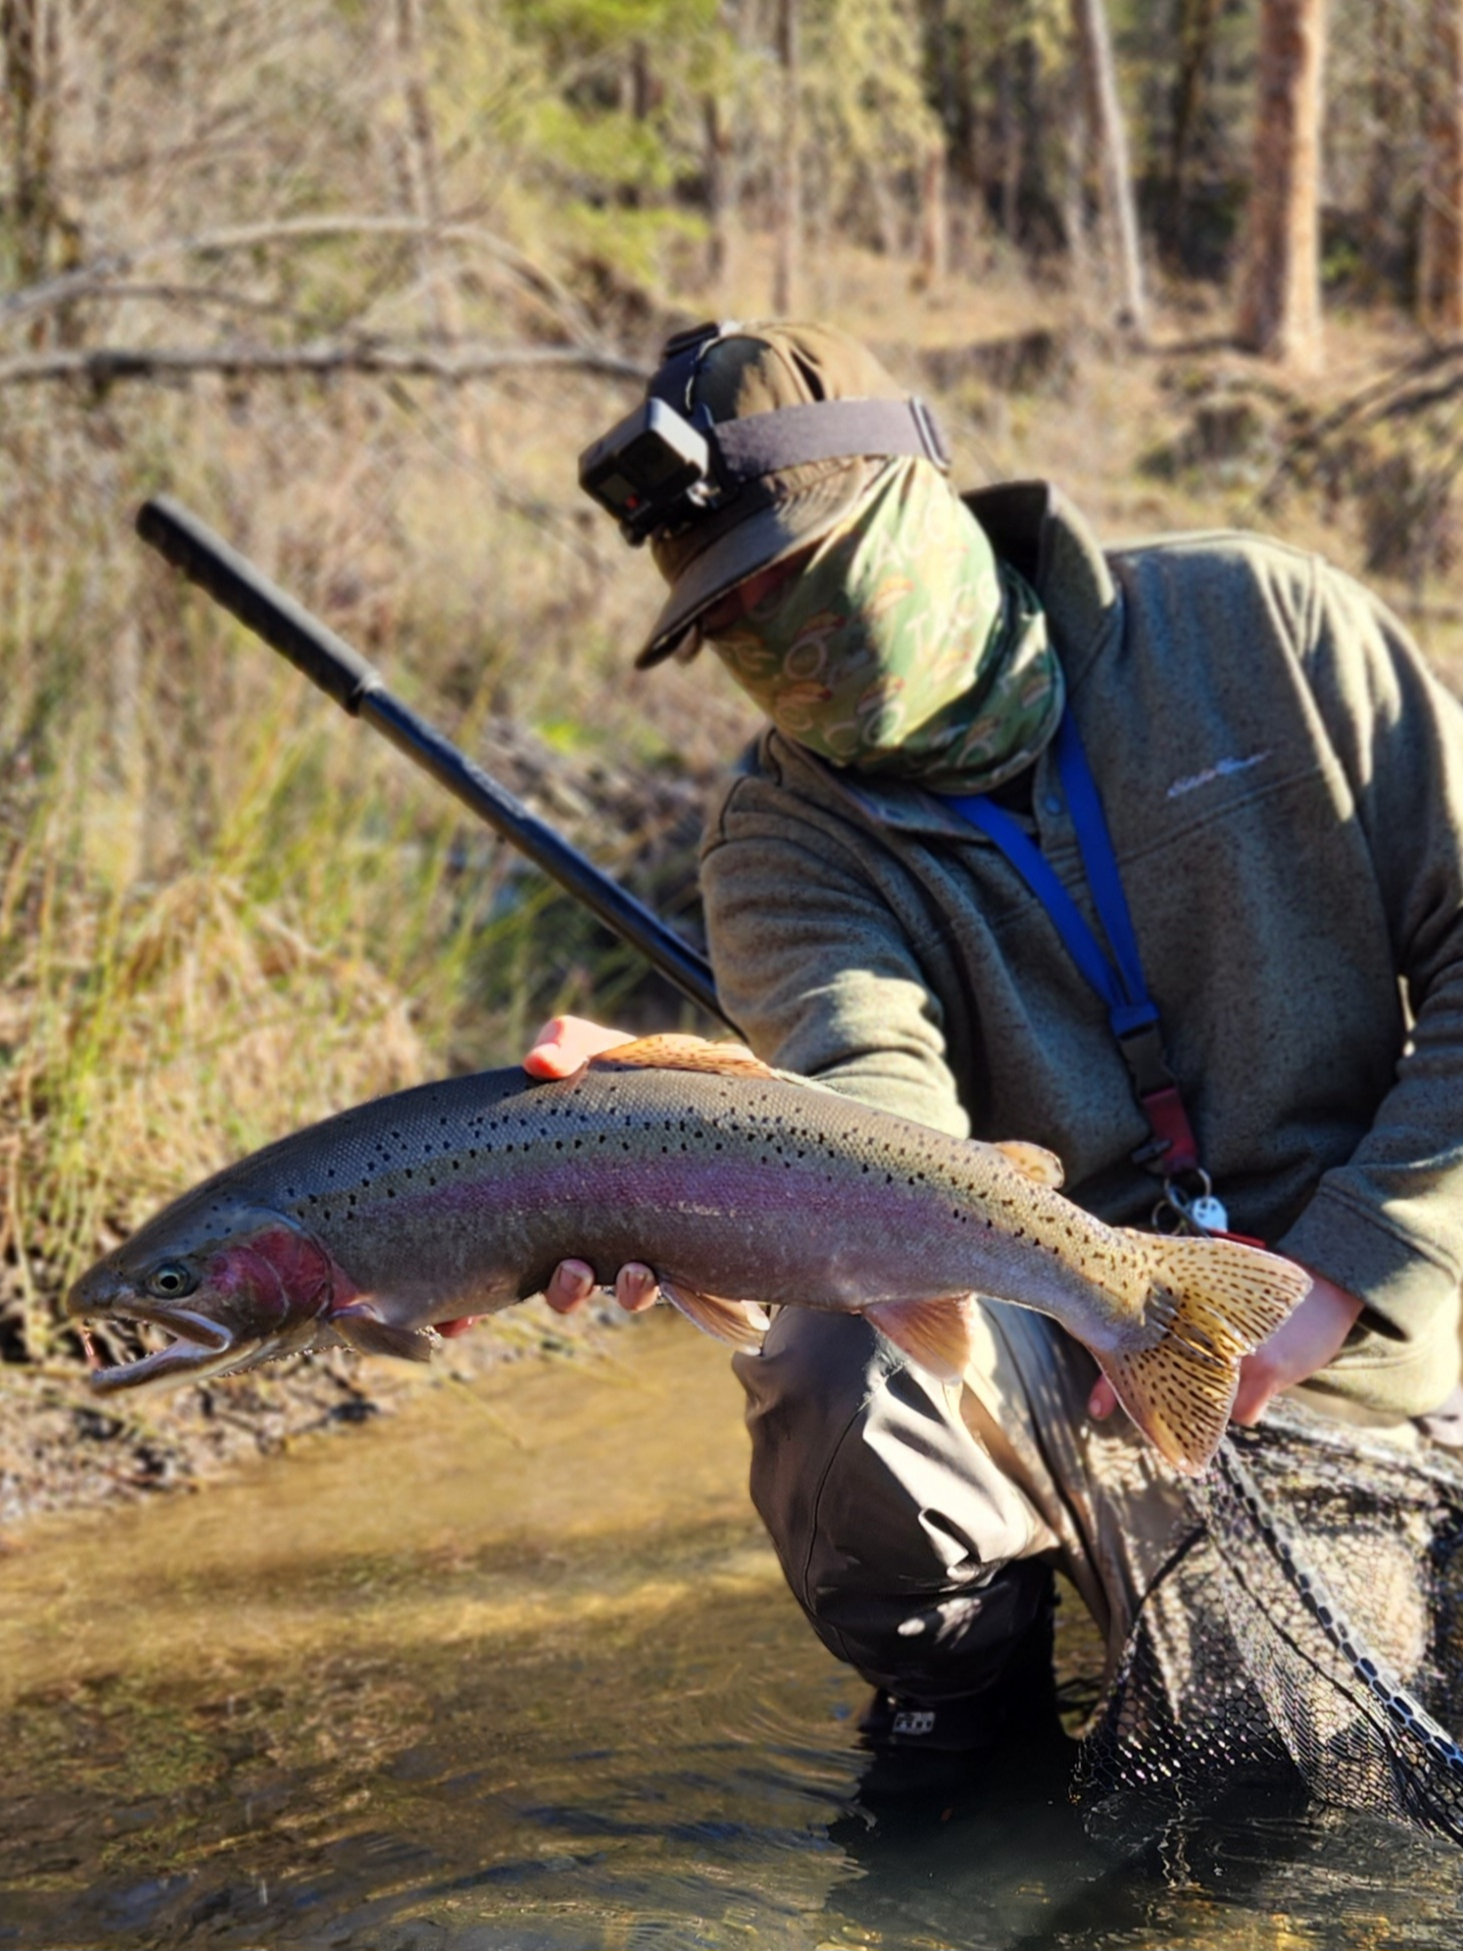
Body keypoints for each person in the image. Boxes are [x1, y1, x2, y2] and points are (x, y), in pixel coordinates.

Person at [524, 318, 1463, 1771]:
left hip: (1378, 1312)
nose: (787, 644)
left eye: (808, 575)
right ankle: (961, 1720)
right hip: (1075, 1354)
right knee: (829, 1334)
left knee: (1307, 1790)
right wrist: (682, 1141)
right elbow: (865, 1109)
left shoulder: (1258, 626)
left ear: (923, 492)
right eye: (734, 622)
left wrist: (1352, 1265)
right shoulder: (781, 841)